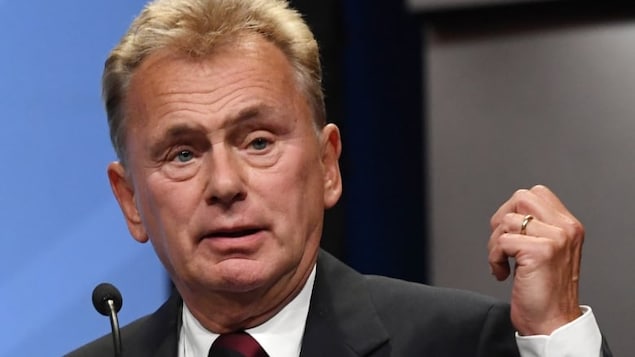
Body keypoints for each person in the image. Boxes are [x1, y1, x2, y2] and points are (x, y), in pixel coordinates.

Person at [67, 0, 611, 356]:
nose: (225, 184)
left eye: (258, 142)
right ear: (131, 199)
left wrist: (556, 336)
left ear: (328, 165)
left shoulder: (468, 343)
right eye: (183, 154)